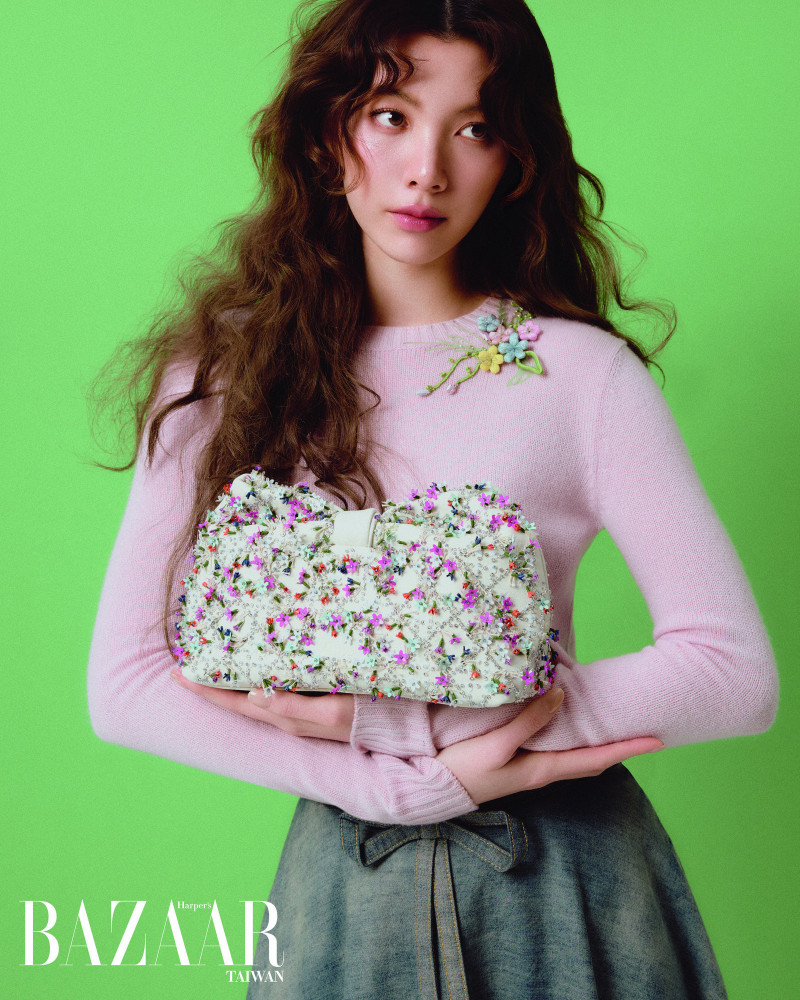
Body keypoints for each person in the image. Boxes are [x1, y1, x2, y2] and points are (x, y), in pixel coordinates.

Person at [87, 0, 778, 996]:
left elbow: (731, 672)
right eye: (391, 116)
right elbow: (126, 685)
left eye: (476, 128)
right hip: (347, 879)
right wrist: (396, 785)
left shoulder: (578, 375)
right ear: (328, 134)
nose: (428, 170)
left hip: (562, 871)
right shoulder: (223, 378)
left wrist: (407, 731)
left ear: (515, 162)